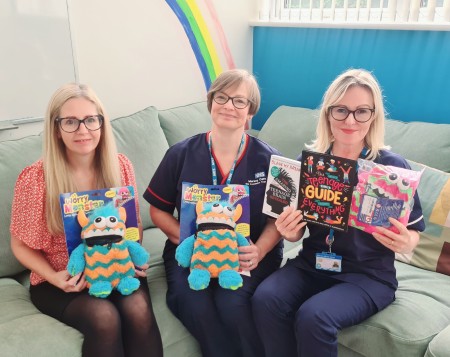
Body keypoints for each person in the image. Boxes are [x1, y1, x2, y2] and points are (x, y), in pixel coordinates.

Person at [252, 69, 425, 357]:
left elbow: (414, 234)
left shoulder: (391, 169)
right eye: (341, 110)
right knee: (265, 299)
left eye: (361, 112)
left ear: (373, 117)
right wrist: (289, 230)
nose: (350, 120)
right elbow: (296, 231)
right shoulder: (308, 163)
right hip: (312, 264)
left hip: (368, 276)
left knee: (314, 316)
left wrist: (407, 242)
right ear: (328, 114)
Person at [10, 83, 163, 357]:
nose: (83, 130)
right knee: (103, 318)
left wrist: (132, 257)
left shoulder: (120, 165)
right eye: (71, 122)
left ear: (102, 123)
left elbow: (132, 227)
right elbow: (20, 245)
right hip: (63, 276)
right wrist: (56, 278)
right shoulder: (35, 178)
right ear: (56, 129)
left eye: (91, 120)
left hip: (114, 264)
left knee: (138, 310)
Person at [144, 69, 283, 357]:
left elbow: (279, 221)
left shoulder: (270, 159)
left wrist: (259, 250)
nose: (229, 106)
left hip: (248, 252)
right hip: (192, 250)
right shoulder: (180, 154)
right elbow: (157, 210)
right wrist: (183, 239)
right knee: (192, 302)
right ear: (211, 102)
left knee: (233, 303)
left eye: (239, 101)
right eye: (222, 97)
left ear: (250, 111)